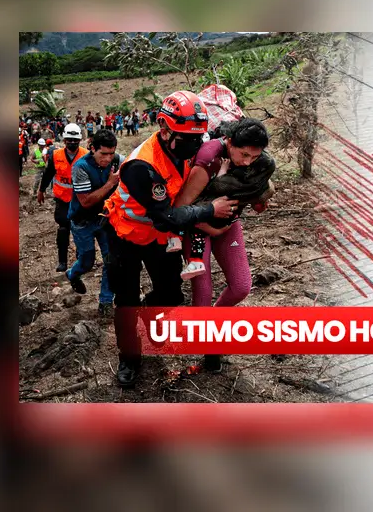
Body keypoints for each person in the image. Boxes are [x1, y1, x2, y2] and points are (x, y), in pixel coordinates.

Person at [103, 91, 237, 387]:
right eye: (186, 139)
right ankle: (130, 358)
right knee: (125, 301)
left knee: (171, 294)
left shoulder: (190, 146)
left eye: (197, 138)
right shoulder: (143, 166)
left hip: (159, 237)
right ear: (164, 129)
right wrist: (210, 209)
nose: (194, 146)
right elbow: (165, 215)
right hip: (125, 234)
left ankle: (150, 314)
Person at [174, 118, 273, 301]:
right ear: (229, 141)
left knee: (241, 287)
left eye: (254, 157)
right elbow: (180, 207)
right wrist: (211, 227)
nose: (248, 163)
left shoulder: (256, 163)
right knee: (203, 293)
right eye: (244, 155)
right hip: (197, 226)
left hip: (228, 221)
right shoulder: (209, 159)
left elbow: (249, 190)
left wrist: (257, 200)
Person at [66, 129, 122, 318]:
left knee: (110, 260)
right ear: (92, 148)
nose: (107, 159)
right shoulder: (80, 167)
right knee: (87, 262)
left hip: (105, 219)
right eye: (103, 154)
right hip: (82, 221)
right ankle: (73, 274)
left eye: (111, 153)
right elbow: (86, 201)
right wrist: (110, 184)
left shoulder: (117, 160)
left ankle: (105, 301)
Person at [37, 123, 89, 272]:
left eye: (75, 140)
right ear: (64, 140)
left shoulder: (86, 155)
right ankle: (62, 262)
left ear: (79, 141)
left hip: (80, 200)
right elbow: (48, 174)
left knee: (80, 229)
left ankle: (81, 258)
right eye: (69, 140)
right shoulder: (56, 155)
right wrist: (41, 190)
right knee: (63, 229)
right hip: (62, 200)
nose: (72, 143)